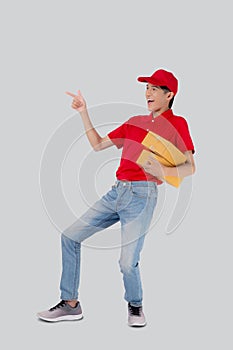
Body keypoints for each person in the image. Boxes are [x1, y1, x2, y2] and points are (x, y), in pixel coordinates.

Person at [37, 69, 195, 327]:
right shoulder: (134, 121)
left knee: (126, 262)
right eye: (147, 88)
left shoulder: (178, 124)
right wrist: (83, 112)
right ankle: (70, 304)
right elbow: (98, 145)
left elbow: (190, 166)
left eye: (155, 88)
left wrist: (163, 171)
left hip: (142, 196)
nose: (148, 93)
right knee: (69, 236)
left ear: (170, 95)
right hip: (116, 192)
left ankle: (135, 305)